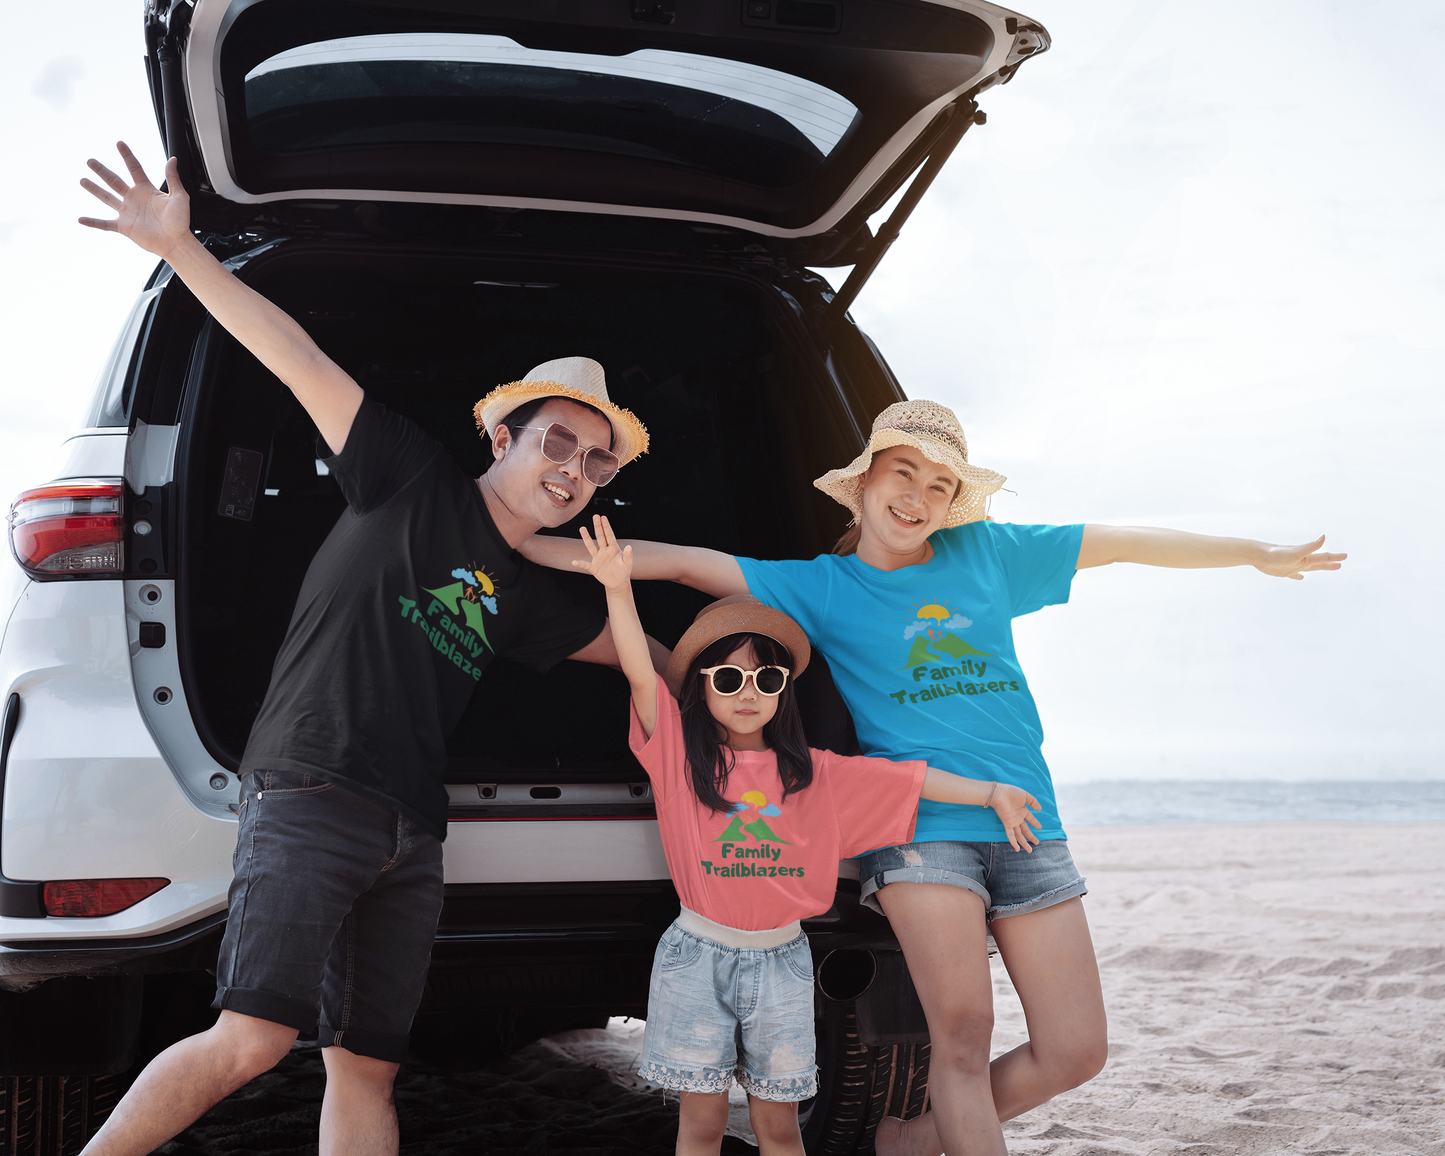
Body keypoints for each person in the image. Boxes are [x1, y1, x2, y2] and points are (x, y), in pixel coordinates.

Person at [523, 399, 1346, 1156]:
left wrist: (1253, 554)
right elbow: (677, 564)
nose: (918, 494)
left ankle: (913, 1139)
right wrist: (511, 540)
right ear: (866, 482)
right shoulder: (822, 584)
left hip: (1028, 821)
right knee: (959, 1035)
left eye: (940, 482)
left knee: (1075, 1051)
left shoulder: (988, 554)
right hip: (920, 830)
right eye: (904, 471)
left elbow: (1122, 541)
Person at [76, 144, 666, 1156]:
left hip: (413, 834)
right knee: (251, 1040)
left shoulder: (520, 595)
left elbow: (644, 656)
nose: (571, 468)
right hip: (312, 792)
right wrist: (181, 251)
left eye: (592, 458)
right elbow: (293, 354)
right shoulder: (406, 476)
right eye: (554, 442)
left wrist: (640, 588)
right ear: (503, 440)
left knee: (366, 1068)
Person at [574, 513, 1045, 1156]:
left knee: (779, 1129)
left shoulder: (814, 774)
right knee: (701, 1126)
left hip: (784, 963)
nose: (749, 693)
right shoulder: (679, 757)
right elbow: (637, 672)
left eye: (766, 679)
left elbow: (907, 778)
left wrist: (988, 792)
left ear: (783, 692)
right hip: (696, 958)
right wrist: (616, 588)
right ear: (702, 686)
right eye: (729, 678)